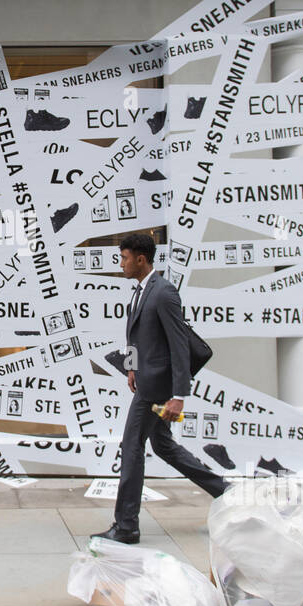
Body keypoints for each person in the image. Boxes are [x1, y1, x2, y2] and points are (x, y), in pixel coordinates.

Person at [94, 232, 228, 544]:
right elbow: (139, 336)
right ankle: (225, 491)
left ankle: (126, 526)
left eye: (125, 258)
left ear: (141, 259)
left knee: (131, 447)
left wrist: (179, 396)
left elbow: (179, 346)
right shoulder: (141, 290)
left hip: (156, 389)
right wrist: (131, 366)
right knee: (164, 446)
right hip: (146, 380)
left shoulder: (164, 292)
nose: (122, 263)